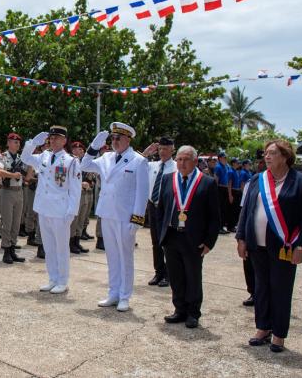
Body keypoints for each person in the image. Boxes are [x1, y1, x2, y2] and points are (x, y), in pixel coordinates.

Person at [236, 139, 302, 353]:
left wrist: (301, 246)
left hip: (285, 246)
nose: (267, 157)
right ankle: (263, 327)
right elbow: (247, 211)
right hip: (257, 246)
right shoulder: (257, 179)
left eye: (272, 153)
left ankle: (279, 334)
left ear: (285, 156)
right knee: (261, 287)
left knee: (280, 289)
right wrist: (241, 238)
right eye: (265, 153)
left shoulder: (300, 182)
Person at [81, 122, 149, 311]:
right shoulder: (107, 157)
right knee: (111, 256)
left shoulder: (138, 160)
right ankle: (113, 293)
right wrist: (94, 146)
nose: (115, 141)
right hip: (107, 214)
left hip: (125, 217)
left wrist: (137, 219)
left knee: (125, 257)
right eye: (113, 138)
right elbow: (84, 165)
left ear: (128, 139)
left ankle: (125, 296)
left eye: (119, 138)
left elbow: (142, 193)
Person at [155, 146, 220, 328]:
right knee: (175, 276)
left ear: (195, 161)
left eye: (186, 159)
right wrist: (162, 234)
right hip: (172, 235)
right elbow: (161, 210)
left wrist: (209, 242)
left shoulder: (207, 182)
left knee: (193, 276)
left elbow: (214, 217)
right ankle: (179, 309)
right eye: (179, 159)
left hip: (194, 238)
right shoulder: (168, 179)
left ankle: (193, 312)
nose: (182, 163)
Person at [21, 126, 82, 294]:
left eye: (57, 138)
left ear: (64, 141)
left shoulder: (71, 161)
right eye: (51, 138)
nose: (53, 140)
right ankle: (52, 278)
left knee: (61, 247)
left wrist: (71, 212)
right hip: (44, 208)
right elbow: (25, 158)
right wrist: (33, 142)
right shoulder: (43, 156)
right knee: (48, 247)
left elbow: (76, 190)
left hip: (61, 210)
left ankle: (62, 281)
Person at [143, 136, 176, 287]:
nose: (162, 152)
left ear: (172, 150)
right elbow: (136, 165)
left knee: (167, 242)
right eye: (160, 148)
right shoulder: (152, 165)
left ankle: (169, 274)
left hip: (169, 207)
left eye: (166, 149)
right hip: (153, 205)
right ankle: (159, 272)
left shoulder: (176, 167)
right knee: (155, 241)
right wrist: (145, 153)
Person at [0, 132, 27, 264]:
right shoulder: (3, 156)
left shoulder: (21, 158)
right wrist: (12, 175)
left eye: (19, 142)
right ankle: (6, 251)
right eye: (14, 142)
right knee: (7, 222)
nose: (17, 144)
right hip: (7, 192)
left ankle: (13, 248)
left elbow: (28, 174)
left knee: (16, 223)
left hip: (19, 192)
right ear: (8, 143)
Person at [69, 141, 92, 254]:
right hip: (74, 194)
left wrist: (88, 183)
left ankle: (77, 241)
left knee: (81, 219)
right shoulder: (69, 162)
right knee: (74, 220)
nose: (82, 151)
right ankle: (71, 243)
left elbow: (89, 178)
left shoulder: (84, 163)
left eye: (82, 149)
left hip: (84, 193)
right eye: (79, 149)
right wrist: (81, 184)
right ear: (73, 150)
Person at [214, 151, 231, 233]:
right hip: (220, 188)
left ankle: (223, 226)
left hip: (225, 188)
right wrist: (215, 190)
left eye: (226, 158)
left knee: (225, 209)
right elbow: (216, 179)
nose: (225, 159)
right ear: (220, 158)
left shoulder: (226, 166)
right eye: (224, 157)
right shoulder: (218, 167)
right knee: (220, 209)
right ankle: (219, 227)